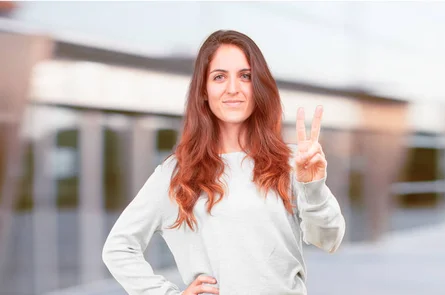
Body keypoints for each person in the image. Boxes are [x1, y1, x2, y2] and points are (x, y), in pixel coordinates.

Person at [102, 30, 346, 295]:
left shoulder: (291, 163)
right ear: (204, 91)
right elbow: (118, 248)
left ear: (259, 86)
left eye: (245, 76)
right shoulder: (176, 174)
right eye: (219, 77)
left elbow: (328, 239)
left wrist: (313, 185)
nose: (233, 88)